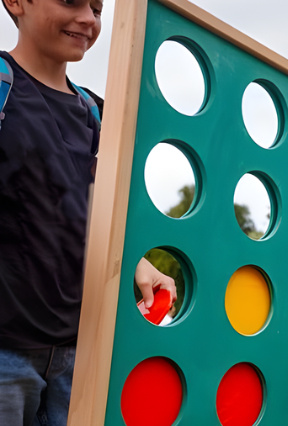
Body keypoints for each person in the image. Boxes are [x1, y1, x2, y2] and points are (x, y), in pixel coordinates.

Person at [0, 1, 176, 424]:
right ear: (15, 2)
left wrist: (134, 261)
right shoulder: (5, 89)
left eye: (97, 8)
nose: (88, 19)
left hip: (80, 355)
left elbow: (92, 213)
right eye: (70, 1)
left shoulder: (96, 112)